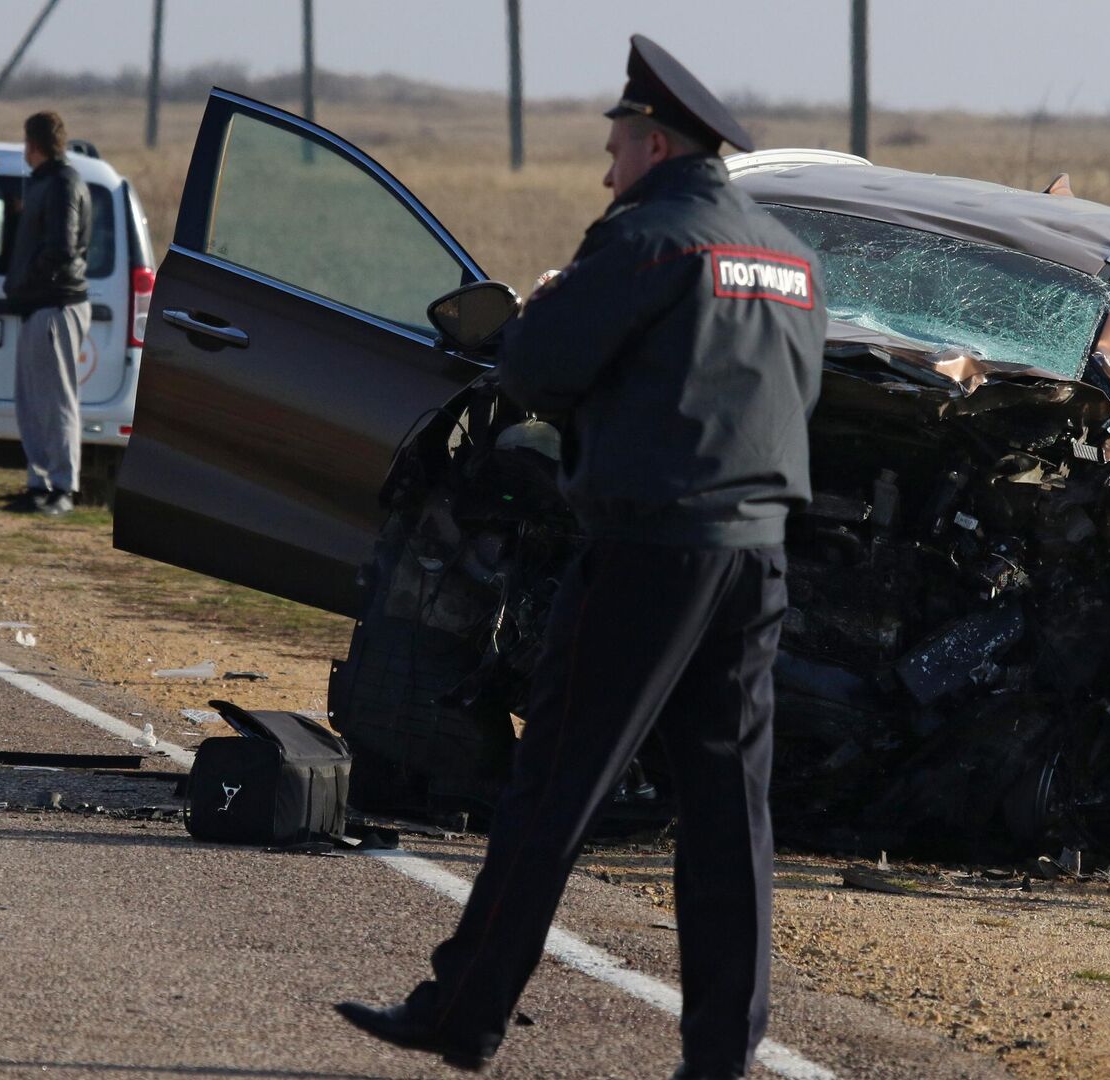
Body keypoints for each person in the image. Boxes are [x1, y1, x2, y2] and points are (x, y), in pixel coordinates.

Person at [336, 35, 827, 1078]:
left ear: (654, 144)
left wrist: (555, 299)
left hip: (652, 550)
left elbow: (536, 371)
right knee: (727, 815)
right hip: (758, 557)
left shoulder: (649, 239)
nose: (606, 171)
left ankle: (464, 1015)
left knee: (555, 788)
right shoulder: (787, 256)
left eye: (614, 150)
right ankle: (720, 1061)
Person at [3, 111, 92, 516]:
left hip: (55, 304)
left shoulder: (62, 184)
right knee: (33, 401)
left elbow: (61, 247)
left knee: (56, 400)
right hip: (38, 304)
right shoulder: (44, 183)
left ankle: (63, 488)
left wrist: (31, 279)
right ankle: (39, 482)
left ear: (33, 144)